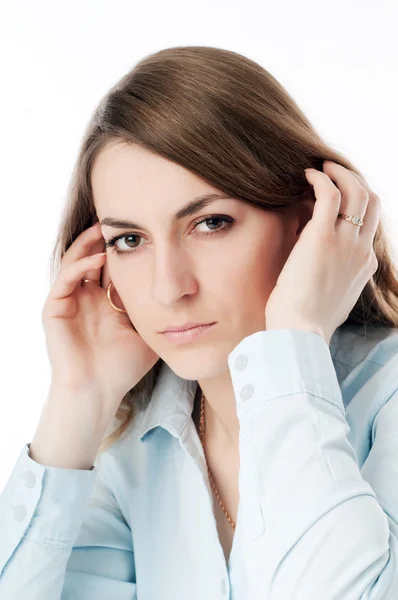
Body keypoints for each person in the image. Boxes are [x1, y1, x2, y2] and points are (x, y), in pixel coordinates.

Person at [0, 45, 397, 600]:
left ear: (310, 219)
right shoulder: (135, 445)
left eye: (211, 223)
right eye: (130, 240)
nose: (168, 288)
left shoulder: (387, 396)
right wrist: (79, 399)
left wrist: (294, 336)